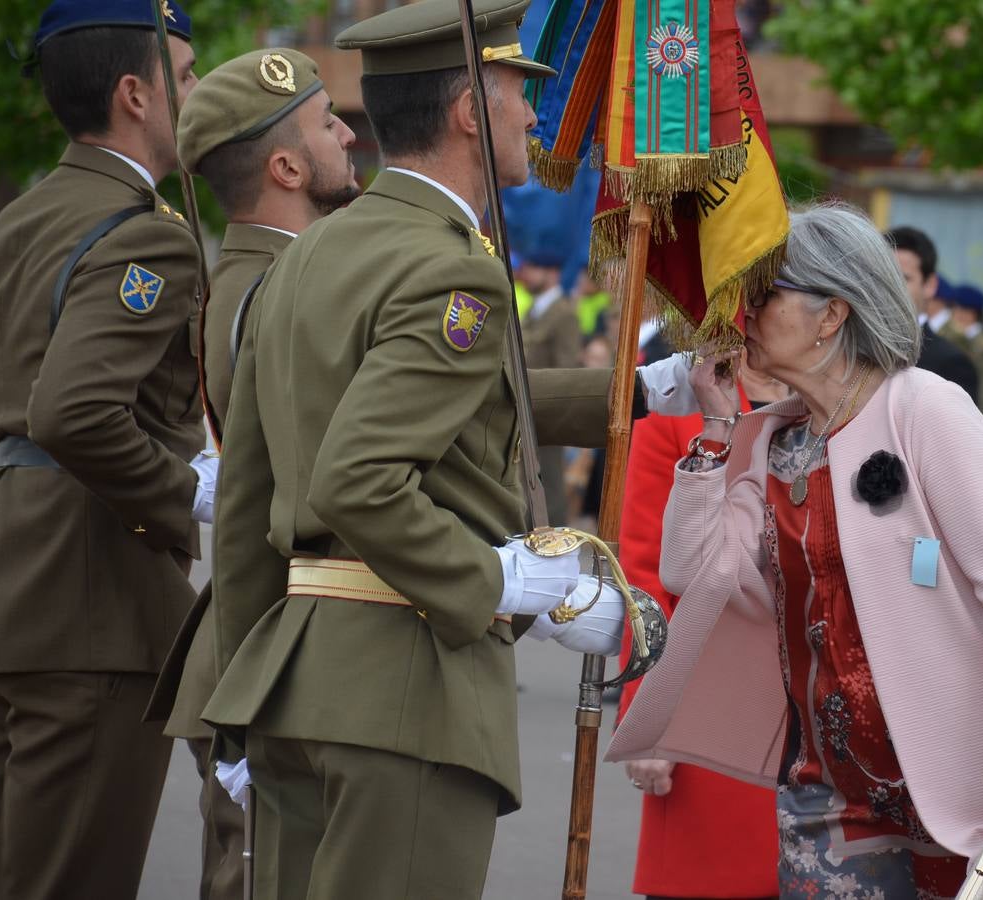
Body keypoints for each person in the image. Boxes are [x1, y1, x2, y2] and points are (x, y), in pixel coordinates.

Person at [197, 2, 695, 897]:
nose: (533, 117)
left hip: (291, 687)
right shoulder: (453, 267)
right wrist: (505, 584)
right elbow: (359, 479)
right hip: (404, 692)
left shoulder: (306, 257)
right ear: (470, 107)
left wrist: (241, 698)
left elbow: (249, 498)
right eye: (517, 94)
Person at [609, 203, 983, 900]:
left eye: (764, 297)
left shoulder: (926, 409)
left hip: (952, 780)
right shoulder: (773, 439)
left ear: (832, 315)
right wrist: (713, 431)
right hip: (824, 789)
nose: (743, 315)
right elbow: (694, 573)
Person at [0, 3, 211, 898]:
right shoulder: (147, 231)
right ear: (135, 94)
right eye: (185, 78)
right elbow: (72, 412)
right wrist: (184, 490)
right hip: (94, 601)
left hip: (11, 579)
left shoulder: (22, 216)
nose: (194, 94)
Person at [139, 47, 360, 900]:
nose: (347, 132)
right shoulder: (277, 286)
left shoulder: (256, 273)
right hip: (266, 646)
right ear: (286, 165)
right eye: (326, 122)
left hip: (256, 643)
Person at [617, 354, 787, 900]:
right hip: (708, 693)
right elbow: (646, 577)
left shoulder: (846, 407)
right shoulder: (676, 416)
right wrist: (650, 713)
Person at [520, 246, 581, 523]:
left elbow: (567, 369)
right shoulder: (535, 309)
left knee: (550, 485)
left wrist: (553, 414)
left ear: (552, 273)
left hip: (546, 414)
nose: (526, 274)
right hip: (525, 412)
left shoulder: (563, 313)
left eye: (534, 268)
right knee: (527, 483)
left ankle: (557, 548)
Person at [883, 225, 980, 401]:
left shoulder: (951, 363)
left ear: (930, 285)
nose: (890, 287)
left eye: (903, 278)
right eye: (883, 277)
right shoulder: (854, 349)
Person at [950, 282, 983, 428]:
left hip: (976, 418)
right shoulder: (962, 338)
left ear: (968, 313)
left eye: (956, 308)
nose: (953, 313)